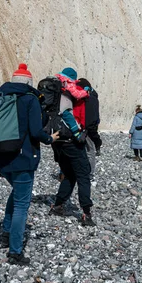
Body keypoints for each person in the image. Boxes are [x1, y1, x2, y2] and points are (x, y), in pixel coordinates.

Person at [0, 63, 60, 265]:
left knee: (16, 193)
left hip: (0, 157)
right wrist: (50, 139)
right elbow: (36, 131)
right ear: (29, 82)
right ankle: (15, 251)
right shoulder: (29, 99)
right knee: (22, 204)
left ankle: (6, 231)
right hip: (22, 158)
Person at [49, 67, 95, 226]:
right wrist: (77, 133)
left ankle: (58, 205)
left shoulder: (53, 92)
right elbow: (67, 113)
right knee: (83, 175)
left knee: (69, 174)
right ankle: (86, 213)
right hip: (70, 140)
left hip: (57, 141)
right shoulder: (66, 92)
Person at [77, 78, 101, 185]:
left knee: (87, 151)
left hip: (84, 129)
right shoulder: (93, 98)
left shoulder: (89, 99)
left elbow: (90, 116)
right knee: (89, 151)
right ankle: (88, 173)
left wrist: (86, 128)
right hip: (88, 129)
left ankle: (88, 173)